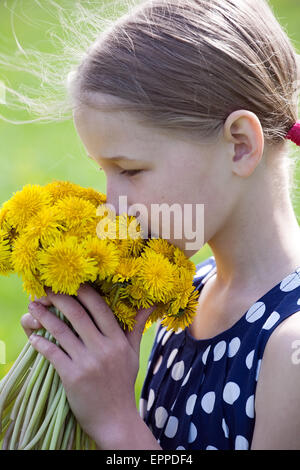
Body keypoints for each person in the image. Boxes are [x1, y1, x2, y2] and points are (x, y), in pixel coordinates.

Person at [19, 0, 300, 450]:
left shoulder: (290, 350)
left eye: (130, 171)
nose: (112, 206)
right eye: (103, 172)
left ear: (241, 146)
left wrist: (115, 423)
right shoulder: (186, 293)